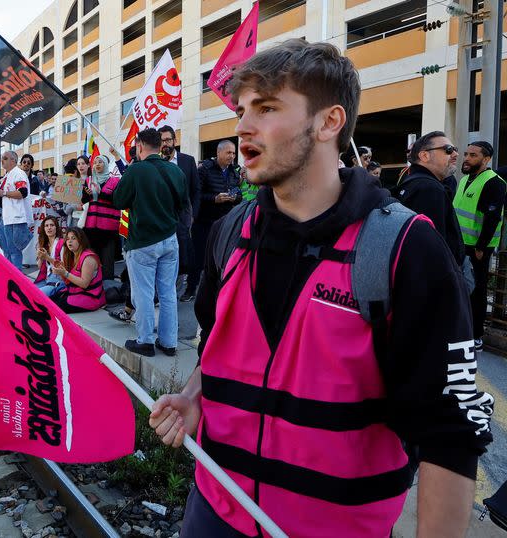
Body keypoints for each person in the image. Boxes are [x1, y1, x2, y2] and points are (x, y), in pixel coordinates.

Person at [149, 39, 492, 537]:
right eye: (243, 109)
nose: (243, 126)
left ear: (329, 122)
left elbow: (449, 431)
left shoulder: (404, 248)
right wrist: (193, 394)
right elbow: (216, 339)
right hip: (213, 510)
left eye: (266, 108)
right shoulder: (229, 234)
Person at [113, 128, 189, 357]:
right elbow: (183, 204)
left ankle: (145, 340)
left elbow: (119, 200)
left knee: (144, 293)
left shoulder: (136, 170)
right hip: (170, 239)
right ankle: (169, 342)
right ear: (159, 145)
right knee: (167, 293)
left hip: (142, 241)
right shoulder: (175, 171)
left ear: (140, 146)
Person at [453, 141, 507, 351]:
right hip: (460, 245)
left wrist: (481, 247)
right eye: (466, 154)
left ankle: (476, 335)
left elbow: (492, 218)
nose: (466, 158)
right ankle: (461, 328)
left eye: (473, 155)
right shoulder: (466, 179)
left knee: (477, 290)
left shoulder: (494, 182)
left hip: (477, 248)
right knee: (461, 288)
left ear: (486, 159)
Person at [393, 131, 465, 265]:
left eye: (455, 149)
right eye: (448, 150)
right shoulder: (429, 189)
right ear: (425, 156)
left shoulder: (415, 182)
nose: (455, 154)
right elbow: (431, 248)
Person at [183, 140, 241, 301]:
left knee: (222, 256)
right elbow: (196, 195)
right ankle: (191, 288)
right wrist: (214, 198)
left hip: (225, 222)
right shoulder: (205, 170)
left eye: (234, 153)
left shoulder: (234, 172)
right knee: (198, 257)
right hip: (204, 221)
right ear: (219, 153)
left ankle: (219, 290)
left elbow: (239, 194)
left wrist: (234, 197)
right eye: (229, 152)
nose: (232, 156)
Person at [159, 125, 200, 290]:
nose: (165, 144)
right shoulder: (156, 163)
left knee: (182, 255)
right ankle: (165, 291)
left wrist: (193, 215)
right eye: (161, 141)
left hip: (183, 219)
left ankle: (176, 291)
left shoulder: (187, 161)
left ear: (175, 140)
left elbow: (196, 190)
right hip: (162, 220)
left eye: (168, 139)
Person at [49, 227, 106, 313]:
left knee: (53, 308)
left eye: (73, 238)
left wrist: (65, 273)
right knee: (47, 301)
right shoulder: (72, 256)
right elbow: (68, 282)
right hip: (76, 293)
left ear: (81, 240)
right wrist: (61, 272)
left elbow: (84, 284)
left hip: (90, 297)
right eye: (67, 239)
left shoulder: (88, 258)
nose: (69, 241)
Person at [83, 154, 121, 280]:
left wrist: (100, 193)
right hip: (91, 227)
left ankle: (108, 288)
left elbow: (118, 200)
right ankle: (94, 286)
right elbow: (82, 201)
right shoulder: (88, 181)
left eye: (100, 162)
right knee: (92, 259)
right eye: (95, 162)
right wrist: (87, 195)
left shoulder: (115, 181)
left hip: (108, 228)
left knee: (107, 259)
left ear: (106, 165)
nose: (97, 164)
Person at [0, 151, 32, 269]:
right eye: (2, 158)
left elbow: (23, 192)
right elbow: (6, 195)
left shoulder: (18, 174)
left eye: (5, 158)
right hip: (7, 217)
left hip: (16, 218)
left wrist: (3, 193)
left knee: (14, 251)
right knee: (7, 250)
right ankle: (9, 275)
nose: (2, 160)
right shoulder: (8, 175)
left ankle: (16, 279)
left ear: (13, 160)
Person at [34, 216, 66, 297]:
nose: (49, 228)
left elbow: (64, 266)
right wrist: (41, 257)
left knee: (37, 295)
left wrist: (47, 257)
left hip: (59, 279)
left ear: (56, 228)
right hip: (46, 278)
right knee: (27, 291)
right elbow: (40, 266)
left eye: (52, 225)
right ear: (43, 229)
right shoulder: (42, 244)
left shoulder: (62, 243)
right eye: (46, 226)